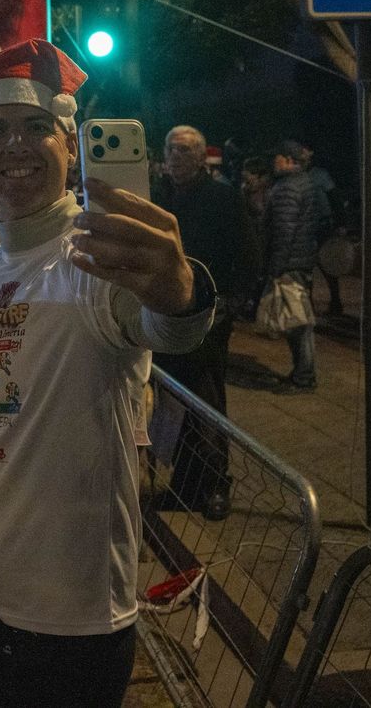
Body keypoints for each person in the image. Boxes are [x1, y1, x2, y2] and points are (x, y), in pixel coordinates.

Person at [0, 40, 215, 708]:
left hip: (70, 631)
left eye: (36, 128)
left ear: (70, 147)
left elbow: (164, 325)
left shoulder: (97, 259)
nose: (15, 146)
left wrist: (179, 293)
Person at [155, 124, 258, 520]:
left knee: (208, 403)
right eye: (170, 149)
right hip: (164, 316)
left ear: (200, 157)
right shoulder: (160, 196)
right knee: (172, 404)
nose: (175, 157)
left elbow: (248, 257)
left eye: (183, 150)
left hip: (208, 318)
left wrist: (228, 307)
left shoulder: (223, 198)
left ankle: (215, 483)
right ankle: (184, 485)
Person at [262, 141, 320, 392]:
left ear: (287, 160)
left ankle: (304, 376)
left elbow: (284, 231)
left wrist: (275, 267)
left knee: (298, 323)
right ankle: (301, 372)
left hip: (290, 263)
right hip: (303, 259)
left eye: (277, 157)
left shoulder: (287, 188)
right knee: (299, 320)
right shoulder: (306, 183)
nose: (274, 162)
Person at [299, 142, 342, 316]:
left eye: (303, 150)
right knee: (306, 267)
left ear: (310, 152)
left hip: (323, 226)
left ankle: (336, 301)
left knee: (328, 265)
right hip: (305, 227)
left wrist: (340, 223)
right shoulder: (298, 174)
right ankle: (308, 305)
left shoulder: (320, 175)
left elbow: (335, 198)